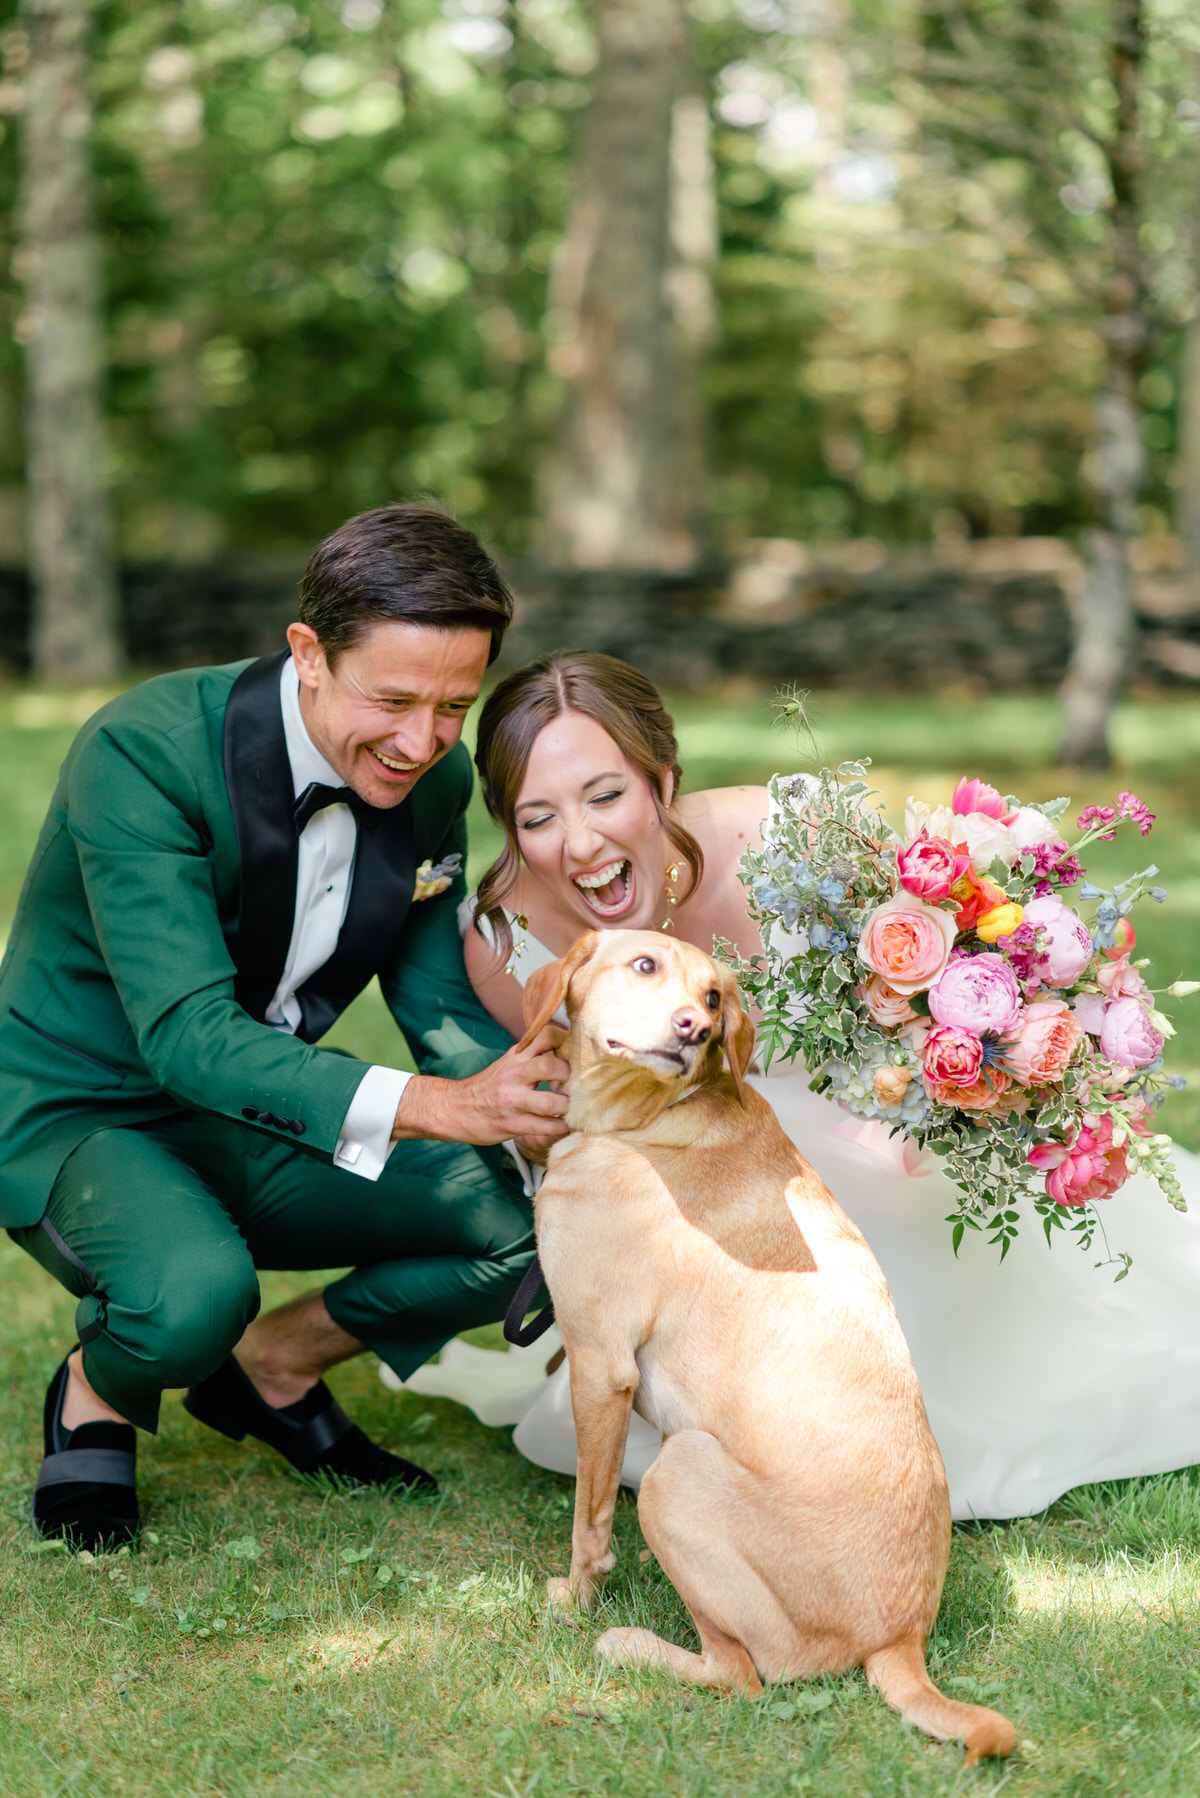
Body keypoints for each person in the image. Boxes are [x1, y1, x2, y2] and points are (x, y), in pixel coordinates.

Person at [399, 649, 1200, 1522]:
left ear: (661, 782)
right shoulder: (509, 939)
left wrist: (949, 1076)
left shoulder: (779, 835)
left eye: (604, 795)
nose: (581, 845)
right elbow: (591, 1127)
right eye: (537, 817)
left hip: (897, 1134)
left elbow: (935, 962)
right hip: (708, 1196)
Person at [1, 503, 569, 1553]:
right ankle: (97, 1383)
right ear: (308, 652)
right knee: (189, 1298)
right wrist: (441, 1106)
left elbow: (433, 995)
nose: (421, 741)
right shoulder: (142, 751)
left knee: (534, 1228)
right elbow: (181, 1033)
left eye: (454, 704)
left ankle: (278, 1362)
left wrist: (533, 1112)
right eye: (393, 699)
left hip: (260, 1107)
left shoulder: (433, 780)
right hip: (85, 1110)